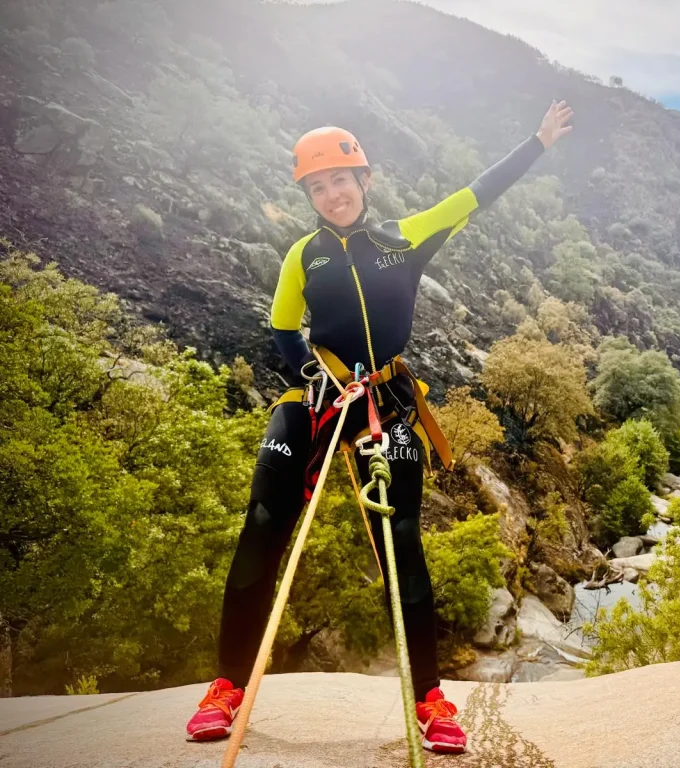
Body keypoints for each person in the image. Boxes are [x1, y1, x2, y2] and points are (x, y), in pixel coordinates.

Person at [184, 100, 574, 754]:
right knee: (262, 524)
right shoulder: (303, 256)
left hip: (384, 402)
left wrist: (537, 142)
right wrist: (313, 373)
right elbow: (283, 328)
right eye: (316, 187)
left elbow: (475, 195)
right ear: (308, 196)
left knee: (402, 544)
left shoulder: (405, 238)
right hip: (317, 396)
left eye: (340, 180)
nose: (331, 194)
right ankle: (226, 686)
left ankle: (429, 700)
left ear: (364, 180)